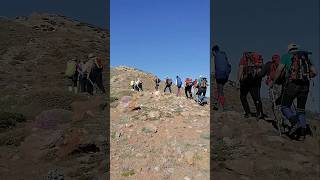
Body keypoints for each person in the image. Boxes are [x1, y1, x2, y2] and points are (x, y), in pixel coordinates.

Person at [271, 43, 317, 139]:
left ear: (289, 49)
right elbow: (315, 72)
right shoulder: (305, 56)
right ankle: (303, 131)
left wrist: (274, 82)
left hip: (292, 84)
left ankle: (294, 122)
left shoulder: (286, 56)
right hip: (305, 85)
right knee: (301, 109)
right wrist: (306, 77)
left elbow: (279, 70)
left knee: (284, 106)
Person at [237, 52, 264, 119]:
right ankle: (260, 113)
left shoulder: (244, 59)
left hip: (246, 80)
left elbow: (241, 69)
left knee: (242, 96)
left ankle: (248, 113)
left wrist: (238, 80)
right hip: (256, 80)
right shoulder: (258, 59)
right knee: (256, 97)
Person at [212, 45, 231, 110]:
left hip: (219, 76)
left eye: (213, 53)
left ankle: (223, 107)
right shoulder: (223, 54)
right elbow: (228, 65)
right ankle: (216, 105)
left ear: (214, 51)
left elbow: (215, 68)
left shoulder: (216, 57)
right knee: (220, 90)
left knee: (220, 91)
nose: (213, 54)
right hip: (225, 76)